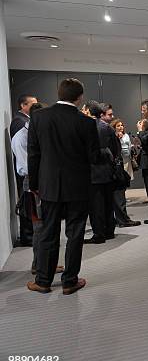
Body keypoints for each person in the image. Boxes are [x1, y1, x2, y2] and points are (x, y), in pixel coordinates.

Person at [27, 78, 104, 294]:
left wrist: (34, 184)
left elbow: (33, 154)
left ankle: (43, 280)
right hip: (78, 186)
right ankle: (70, 281)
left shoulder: (39, 117)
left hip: (48, 185)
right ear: (80, 98)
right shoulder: (87, 123)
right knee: (75, 233)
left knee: (48, 232)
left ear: (59, 93)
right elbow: (94, 157)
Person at [11, 102, 64, 275]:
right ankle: (39, 265)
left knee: (49, 225)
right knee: (39, 228)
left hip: (46, 182)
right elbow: (26, 167)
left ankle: (47, 263)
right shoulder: (20, 137)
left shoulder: (41, 134)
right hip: (33, 185)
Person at [86, 101, 120, 244]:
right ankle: (109, 231)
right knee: (107, 203)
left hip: (93, 172)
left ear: (88, 112)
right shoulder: (108, 128)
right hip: (108, 171)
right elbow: (115, 149)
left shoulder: (87, 127)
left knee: (96, 206)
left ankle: (99, 233)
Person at [10, 94, 38, 247]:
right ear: (23, 105)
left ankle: (30, 235)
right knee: (28, 206)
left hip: (29, 171)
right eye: (32, 104)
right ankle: (28, 236)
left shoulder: (23, 120)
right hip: (26, 171)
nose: (35, 106)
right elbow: (21, 151)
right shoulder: (19, 122)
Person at [110, 118, 140, 228]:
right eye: (118, 126)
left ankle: (121, 217)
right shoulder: (113, 136)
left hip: (126, 163)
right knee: (119, 192)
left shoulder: (126, 135)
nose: (121, 127)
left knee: (123, 189)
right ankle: (122, 219)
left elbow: (128, 149)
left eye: (122, 125)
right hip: (118, 165)